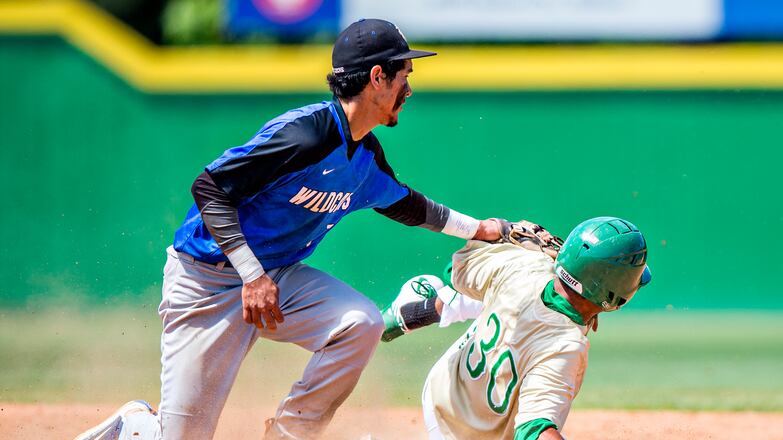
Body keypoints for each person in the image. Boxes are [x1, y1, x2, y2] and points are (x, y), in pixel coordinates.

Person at [73, 18, 503, 440]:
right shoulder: (304, 135)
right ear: (377, 77)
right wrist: (251, 274)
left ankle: (290, 434)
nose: (408, 89)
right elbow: (209, 190)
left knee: (360, 323)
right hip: (208, 280)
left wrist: (481, 229)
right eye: (403, 76)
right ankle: (136, 426)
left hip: (276, 280)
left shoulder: (364, 157)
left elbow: (407, 204)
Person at [380, 217, 652, 439]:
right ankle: (417, 311)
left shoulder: (525, 264)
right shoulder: (565, 347)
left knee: (499, 295)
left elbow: (453, 272)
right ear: (618, 295)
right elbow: (533, 431)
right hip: (465, 435)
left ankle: (413, 310)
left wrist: (503, 232)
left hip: (440, 389)